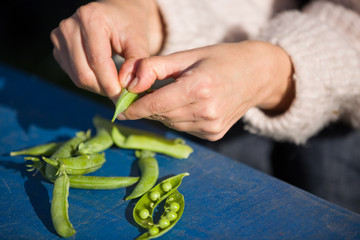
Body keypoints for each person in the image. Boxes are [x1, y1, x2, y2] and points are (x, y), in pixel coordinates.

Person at [51, 0, 360, 212]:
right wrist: (149, 13)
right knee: (226, 194)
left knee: (329, 200)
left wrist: (273, 71)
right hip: (222, 74)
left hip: (346, 97)